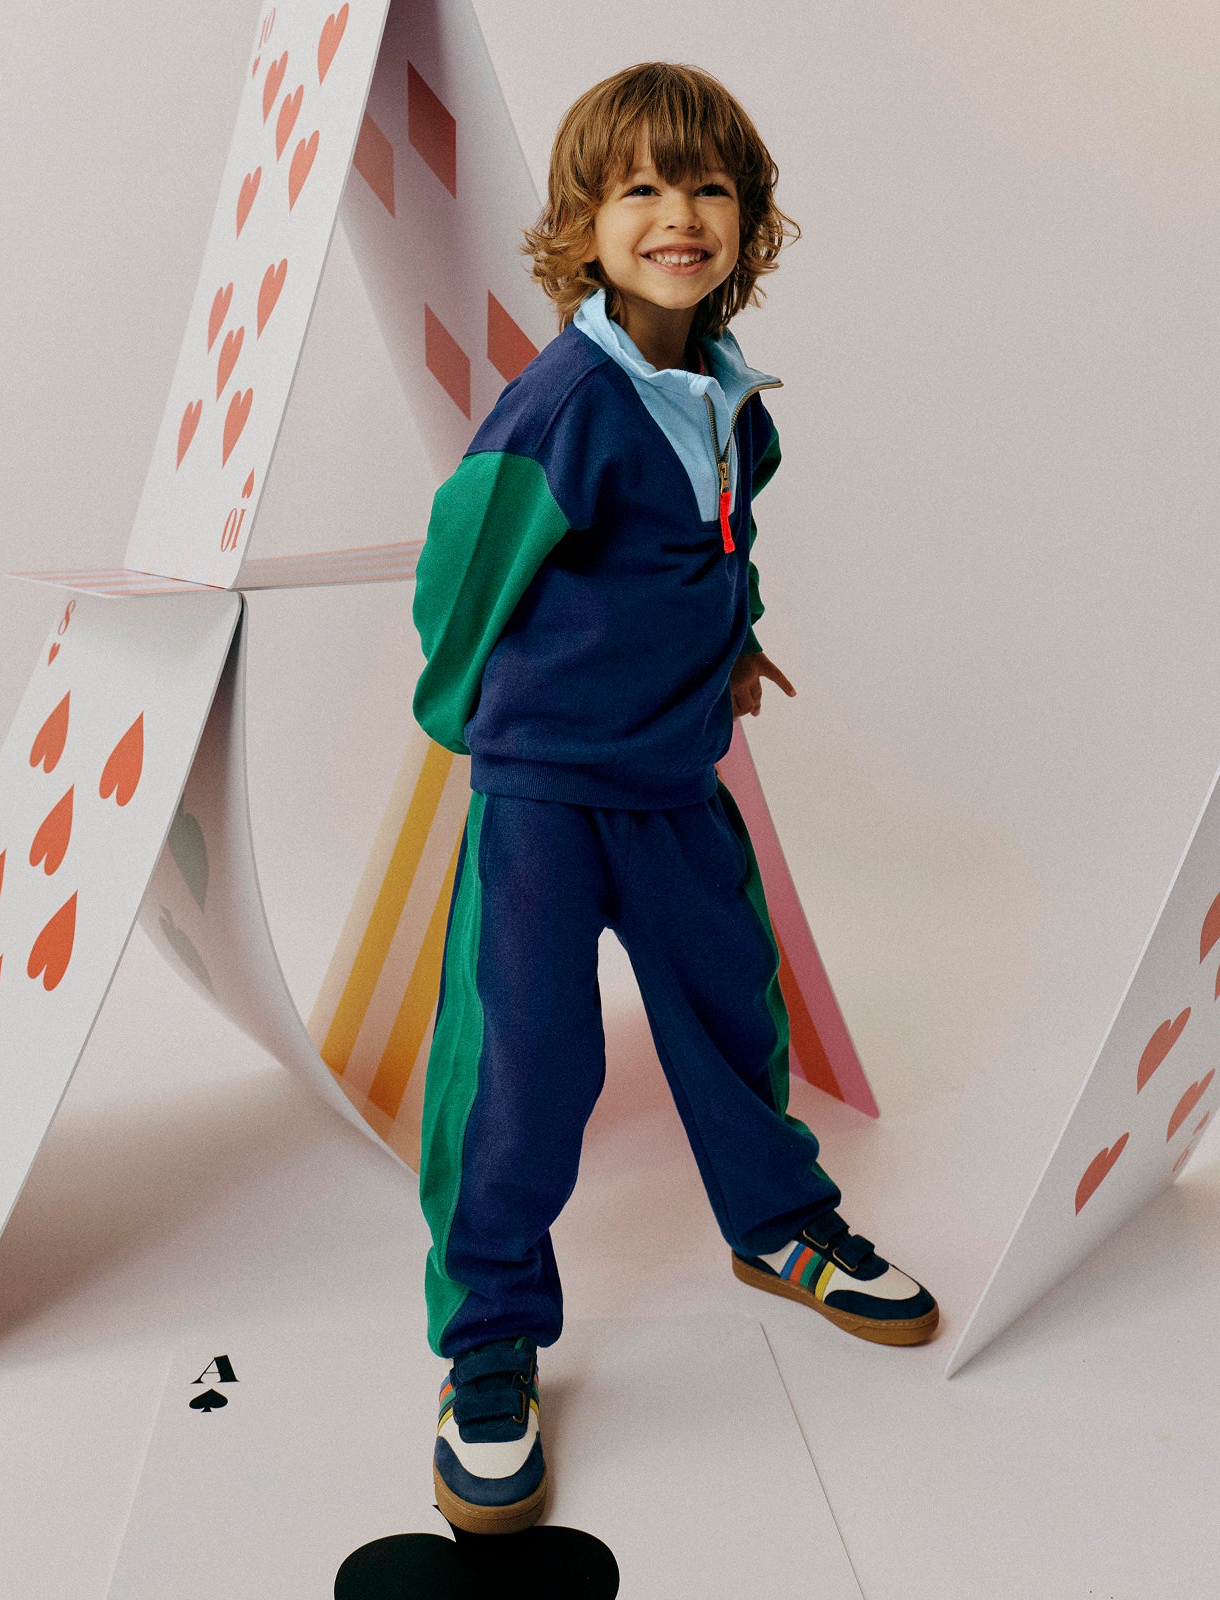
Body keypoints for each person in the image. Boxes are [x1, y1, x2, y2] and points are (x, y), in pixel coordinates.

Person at [412, 61, 938, 1537]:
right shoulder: (565, 404)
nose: (677, 214)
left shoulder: (728, 399)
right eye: (639, 188)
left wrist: (737, 637)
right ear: (584, 225)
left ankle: (780, 1226)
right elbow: (464, 562)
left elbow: (719, 539)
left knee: (728, 1009)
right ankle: (488, 1342)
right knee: (525, 1066)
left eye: (707, 187)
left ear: (746, 220)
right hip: (544, 795)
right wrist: (471, 713)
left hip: (672, 777)